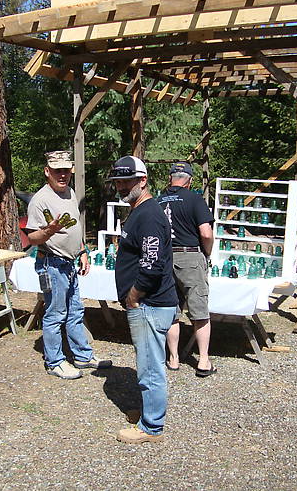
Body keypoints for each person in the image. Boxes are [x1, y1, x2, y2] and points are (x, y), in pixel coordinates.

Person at [109, 155, 178, 444]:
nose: (121, 186)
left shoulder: (148, 214)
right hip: (149, 304)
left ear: (143, 180)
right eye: (118, 182)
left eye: (127, 181)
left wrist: (134, 296)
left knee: (150, 368)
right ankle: (149, 412)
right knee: (149, 363)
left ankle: (151, 427)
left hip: (150, 304)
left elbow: (152, 263)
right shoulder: (141, 211)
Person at [26, 150, 112, 379]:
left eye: (66, 170)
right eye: (58, 171)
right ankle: (54, 362)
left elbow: (75, 227)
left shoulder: (70, 193)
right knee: (55, 314)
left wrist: (82, 250)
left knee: (75, 311)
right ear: (47, 171)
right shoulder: (40, 200)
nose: (63, 175)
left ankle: (82, 356)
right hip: (51, 264)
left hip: (69, 263)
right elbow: (31, 238)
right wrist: (48, 231)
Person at [157, 162, 216, 377]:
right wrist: (207, 253)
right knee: (199, 311)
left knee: (172, 310)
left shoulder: (158, 201)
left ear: (170, 178)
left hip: (165, 258)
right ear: (189, 181)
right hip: (190, 256)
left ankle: (173, 358)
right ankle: (203, 361)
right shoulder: (194, 199)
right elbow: (206, 233)